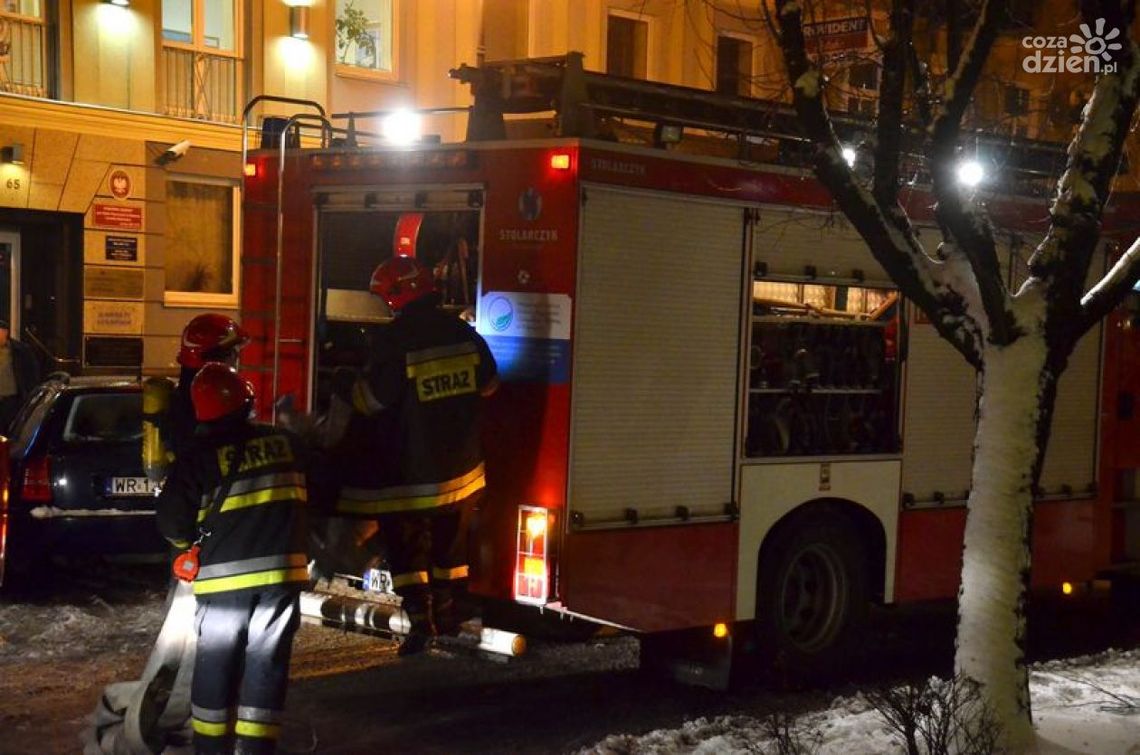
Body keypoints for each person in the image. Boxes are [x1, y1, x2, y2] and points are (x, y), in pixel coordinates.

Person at [335, 254, 498, 655]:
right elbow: (490, 385)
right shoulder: (463, 333)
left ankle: (421, 623)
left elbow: (370, 401)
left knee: (407, 550)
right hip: (463, 471)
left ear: (395, 296)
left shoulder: (395, 340)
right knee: (450, 550)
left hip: (410, 476)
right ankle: (447, 614)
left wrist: (343, 384)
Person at [157, 363, 310, 755]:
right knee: (268, 663)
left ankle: (211, 750)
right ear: (246, 401)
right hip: (281, 575)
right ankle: (257, 750)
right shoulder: (286, 442)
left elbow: (172, 520)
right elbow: (324, 486)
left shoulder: (197, 458)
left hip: (223, 584)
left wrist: (182, 549)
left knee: (216, 666)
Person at [0, 319, 41, 431]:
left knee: (11, 429)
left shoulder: (20, 350)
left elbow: (31, 372)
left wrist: (30, 394)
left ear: (6, 333)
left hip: (12, 399)